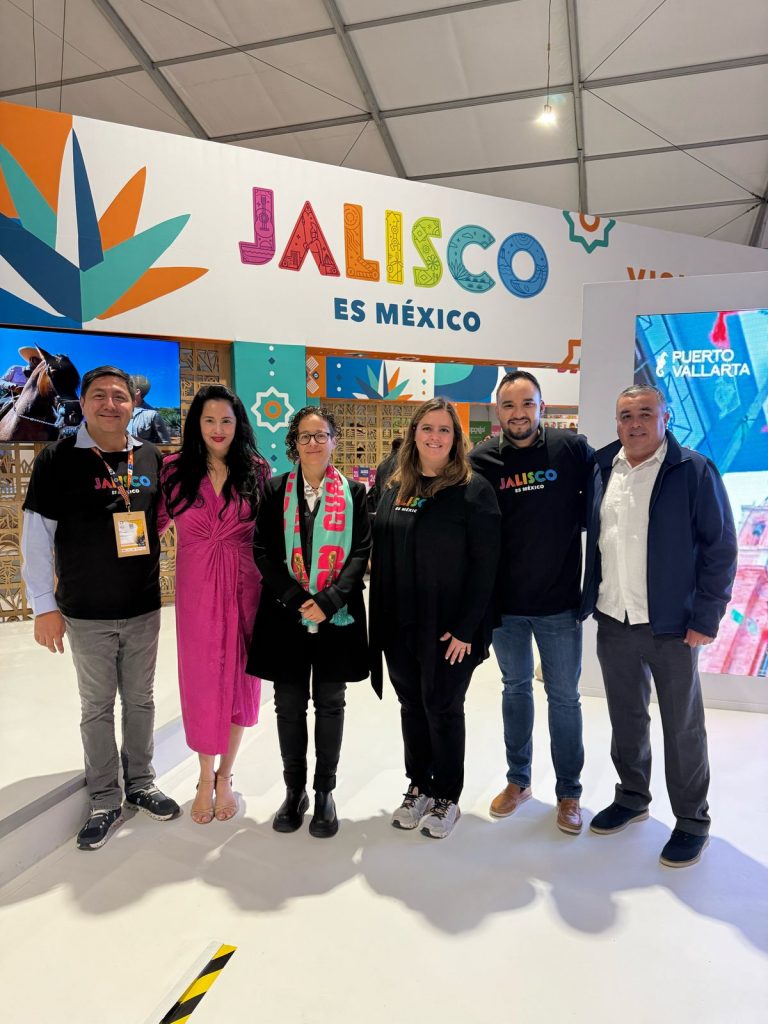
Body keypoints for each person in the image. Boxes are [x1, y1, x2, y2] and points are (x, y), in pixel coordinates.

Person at [20, 365, 180, 851]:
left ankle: (142, 782)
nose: (111, 404)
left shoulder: (150, 455)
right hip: (85, 610)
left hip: (143, 605)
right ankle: (105, 798)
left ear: (133, 404)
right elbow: (36, 537)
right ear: (83, 402)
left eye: (120, 396)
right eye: (99, 395)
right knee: (96, 706)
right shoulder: (57, 458)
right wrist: (43, 607)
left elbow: (160, 521)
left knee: (141, 699)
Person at [581, 384, 737, 867]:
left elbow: (719, 547)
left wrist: (706, 615)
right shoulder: (602, 468)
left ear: (665, 418)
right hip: (615, 618)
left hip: (673, 627)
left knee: (682, 726)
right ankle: (632, 796)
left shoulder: (693, 470)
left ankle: (692, 820)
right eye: (626, 415)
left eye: (645, 413)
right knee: (626, 717)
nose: (635, 423)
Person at [470, 370, 594, 834]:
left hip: (559, 604)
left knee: (564, 698)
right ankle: (518, 780)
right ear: (497, 410)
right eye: (509, 405)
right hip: (506, 606)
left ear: (542, 407)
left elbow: (598, 508)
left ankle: (569, 793)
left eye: (527, 404)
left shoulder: (571, 449)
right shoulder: (482, 459)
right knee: (515, 689)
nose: (518, 413)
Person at [369, 398, 500, 839]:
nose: (435, 437)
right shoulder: (397, 485)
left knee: (442, 706)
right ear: (414, 433)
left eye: (444, 430)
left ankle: (446, 795)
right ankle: (419, 785)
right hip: (399, 622)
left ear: (456, 438)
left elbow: (486, 567)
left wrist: (466, 629)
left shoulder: (473, 490)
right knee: (411, 705)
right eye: (427, 428)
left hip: (448, 629)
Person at [247, 406, 370, 838]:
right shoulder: (275, 489)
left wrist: (329, 600)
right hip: (287, 614)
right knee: (289, 704)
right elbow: (262, 550)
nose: (313, 443)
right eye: (304, 436)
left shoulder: (355, 492)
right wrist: (299, 599)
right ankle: (294, 790)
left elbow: (360, 552)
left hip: (337, 615)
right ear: (294, 444)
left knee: (331, 703)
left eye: (321, 435)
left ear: (334, 440)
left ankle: (324, 792)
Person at [159, 385, 268, 824]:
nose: (218, 429)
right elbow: (148, 524)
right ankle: (204, 777)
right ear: (196, 424)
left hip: (246, 587)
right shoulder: (173, 469)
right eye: (209, 420)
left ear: (239, 424)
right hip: (198, 589)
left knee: (242, 679)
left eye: (226, 420)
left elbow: (272, 531)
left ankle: (226, 775)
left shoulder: (256, 470)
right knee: (202, 679)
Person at [129, 374, 171, 444]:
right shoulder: (119, 410)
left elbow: (165, 444)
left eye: (127, 387)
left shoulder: (152, 415)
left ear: (137, 392)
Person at [366, 436, 403, 514]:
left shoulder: (382, 464)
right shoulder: (402, 463)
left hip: (382, 504)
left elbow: (377, 487)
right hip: (395, 505)